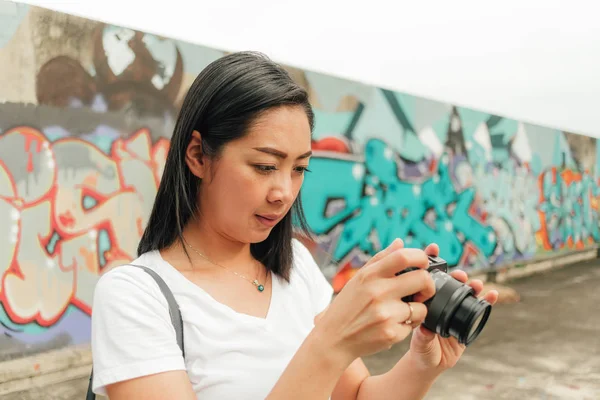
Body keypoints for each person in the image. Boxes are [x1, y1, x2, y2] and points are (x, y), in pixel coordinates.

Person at [90, 51, 499, 400]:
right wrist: (329, 344)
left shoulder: (296, 270)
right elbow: (324, 361)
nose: (284, 192)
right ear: (197, 154)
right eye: (265, 166)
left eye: (299, 168)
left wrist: (422, 364)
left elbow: (356, 395)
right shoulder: (135, 297)